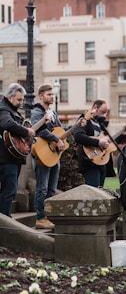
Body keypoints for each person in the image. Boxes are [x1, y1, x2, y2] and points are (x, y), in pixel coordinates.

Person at [31, 84, 66, 229]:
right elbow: (39, 130)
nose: (52, 96)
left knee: (51, 189)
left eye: (53, 94)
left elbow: (60, 131)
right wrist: (56, 140)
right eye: (49, 94)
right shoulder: (36, 112)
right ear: (41, 96)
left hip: (53, 155)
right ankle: (40, 218)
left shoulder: (53, 113)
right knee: (42, 188)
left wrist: (78, 125)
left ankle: (48, 217)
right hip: (42, 153)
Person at [0, 83, 38, 217]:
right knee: (9, 190)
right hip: (5, 158)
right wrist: (26, 131)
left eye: (23, 100)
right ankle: (5, 222)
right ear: (10, 97)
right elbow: (7, 124)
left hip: (11, 157)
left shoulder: (12, 110)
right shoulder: (3, 109)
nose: (22, 102)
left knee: (9, 190)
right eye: (19, 99)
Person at [74, 99, 110, 187]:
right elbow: (78, 136)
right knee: (94, 191)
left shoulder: (101, 124)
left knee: (101, 190)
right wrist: (97, 142)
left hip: (101, 161)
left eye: (105, 113)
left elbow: (108, 141)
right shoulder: (85, 119)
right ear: (95, 108)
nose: (104, 115)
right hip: (89, 161)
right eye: (102, 112)